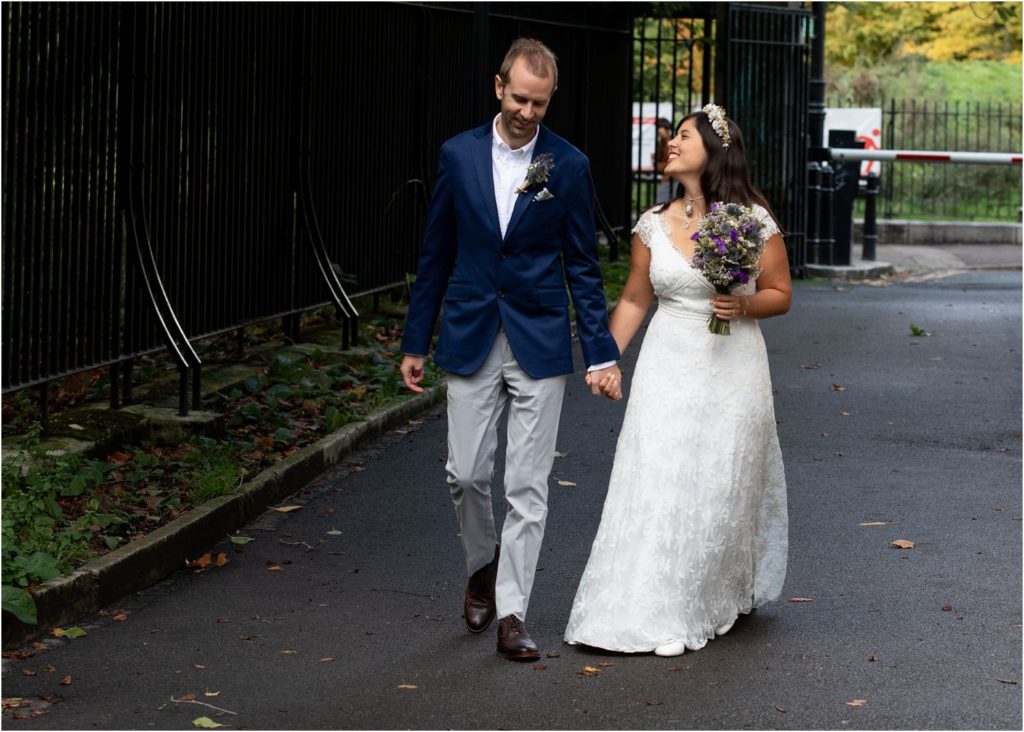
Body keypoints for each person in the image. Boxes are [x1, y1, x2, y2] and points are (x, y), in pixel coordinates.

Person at [399, 38, 622, 661]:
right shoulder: (457, 154)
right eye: (520, 98)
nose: (529, 112)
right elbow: (435, 253)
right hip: (470, 331)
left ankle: (513, 610)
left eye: (541, 103)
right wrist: (417, 339)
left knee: (528, 483)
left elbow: (582, 264)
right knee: (465, 472)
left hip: (540, 338)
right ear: (499, 87)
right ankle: (481, 566)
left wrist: (600, 353)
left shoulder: (569, 165)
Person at [564, 105, 792, 657]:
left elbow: (780, 294)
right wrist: (603, 358)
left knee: (718, 481)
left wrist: (741, 305)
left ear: (713, 150)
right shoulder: (651, 223)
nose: (671, 143)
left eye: (683, 136)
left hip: (732, 366)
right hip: (668, 361)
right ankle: (641, 604)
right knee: (656, 474)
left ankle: (704, 598)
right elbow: (637, 298)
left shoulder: (751, 220)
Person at [652, 117, 674, 203]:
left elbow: (671, 163)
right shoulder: (661, 142)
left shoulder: (671, 142)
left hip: (672, 179)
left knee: (661, 205)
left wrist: (660, 165)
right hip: (666, 179)